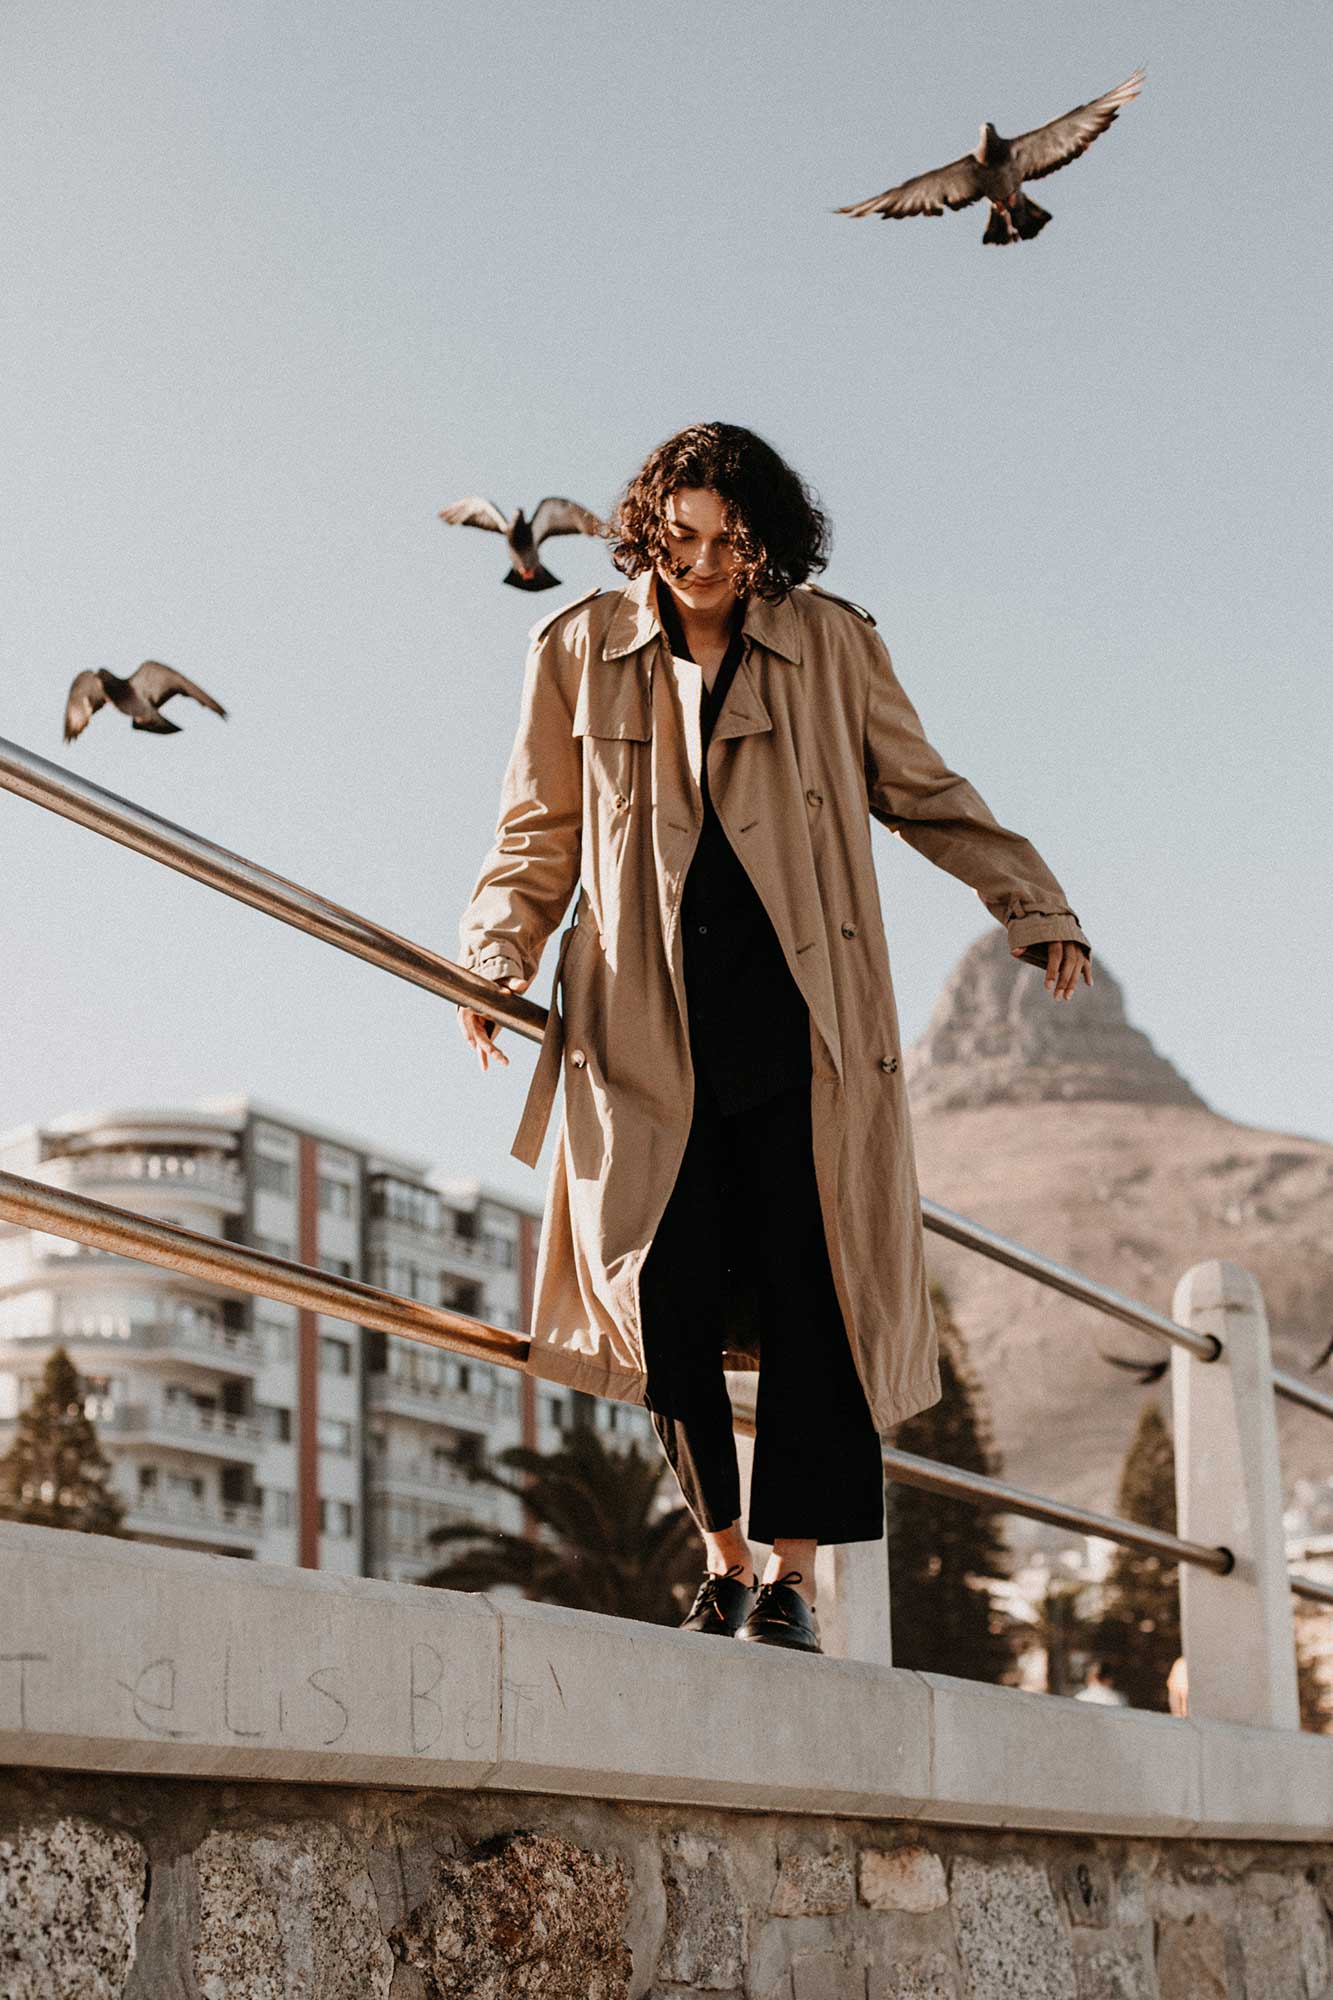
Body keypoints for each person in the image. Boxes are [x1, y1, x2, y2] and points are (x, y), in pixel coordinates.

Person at [457, 421, 1091, 1655]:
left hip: (806, 1023)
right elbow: (534, 833)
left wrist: (1032, 900)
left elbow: (923, 790)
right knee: (663, 1287)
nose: (701, 564)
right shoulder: (577, 647)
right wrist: (491, 961)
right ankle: (723, 1558)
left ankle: (791, 1578)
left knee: (817, 1292)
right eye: (680, 537)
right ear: (648, 529)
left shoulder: (832, 645)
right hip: (643, 1021)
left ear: (767, 545)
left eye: (730, 542)